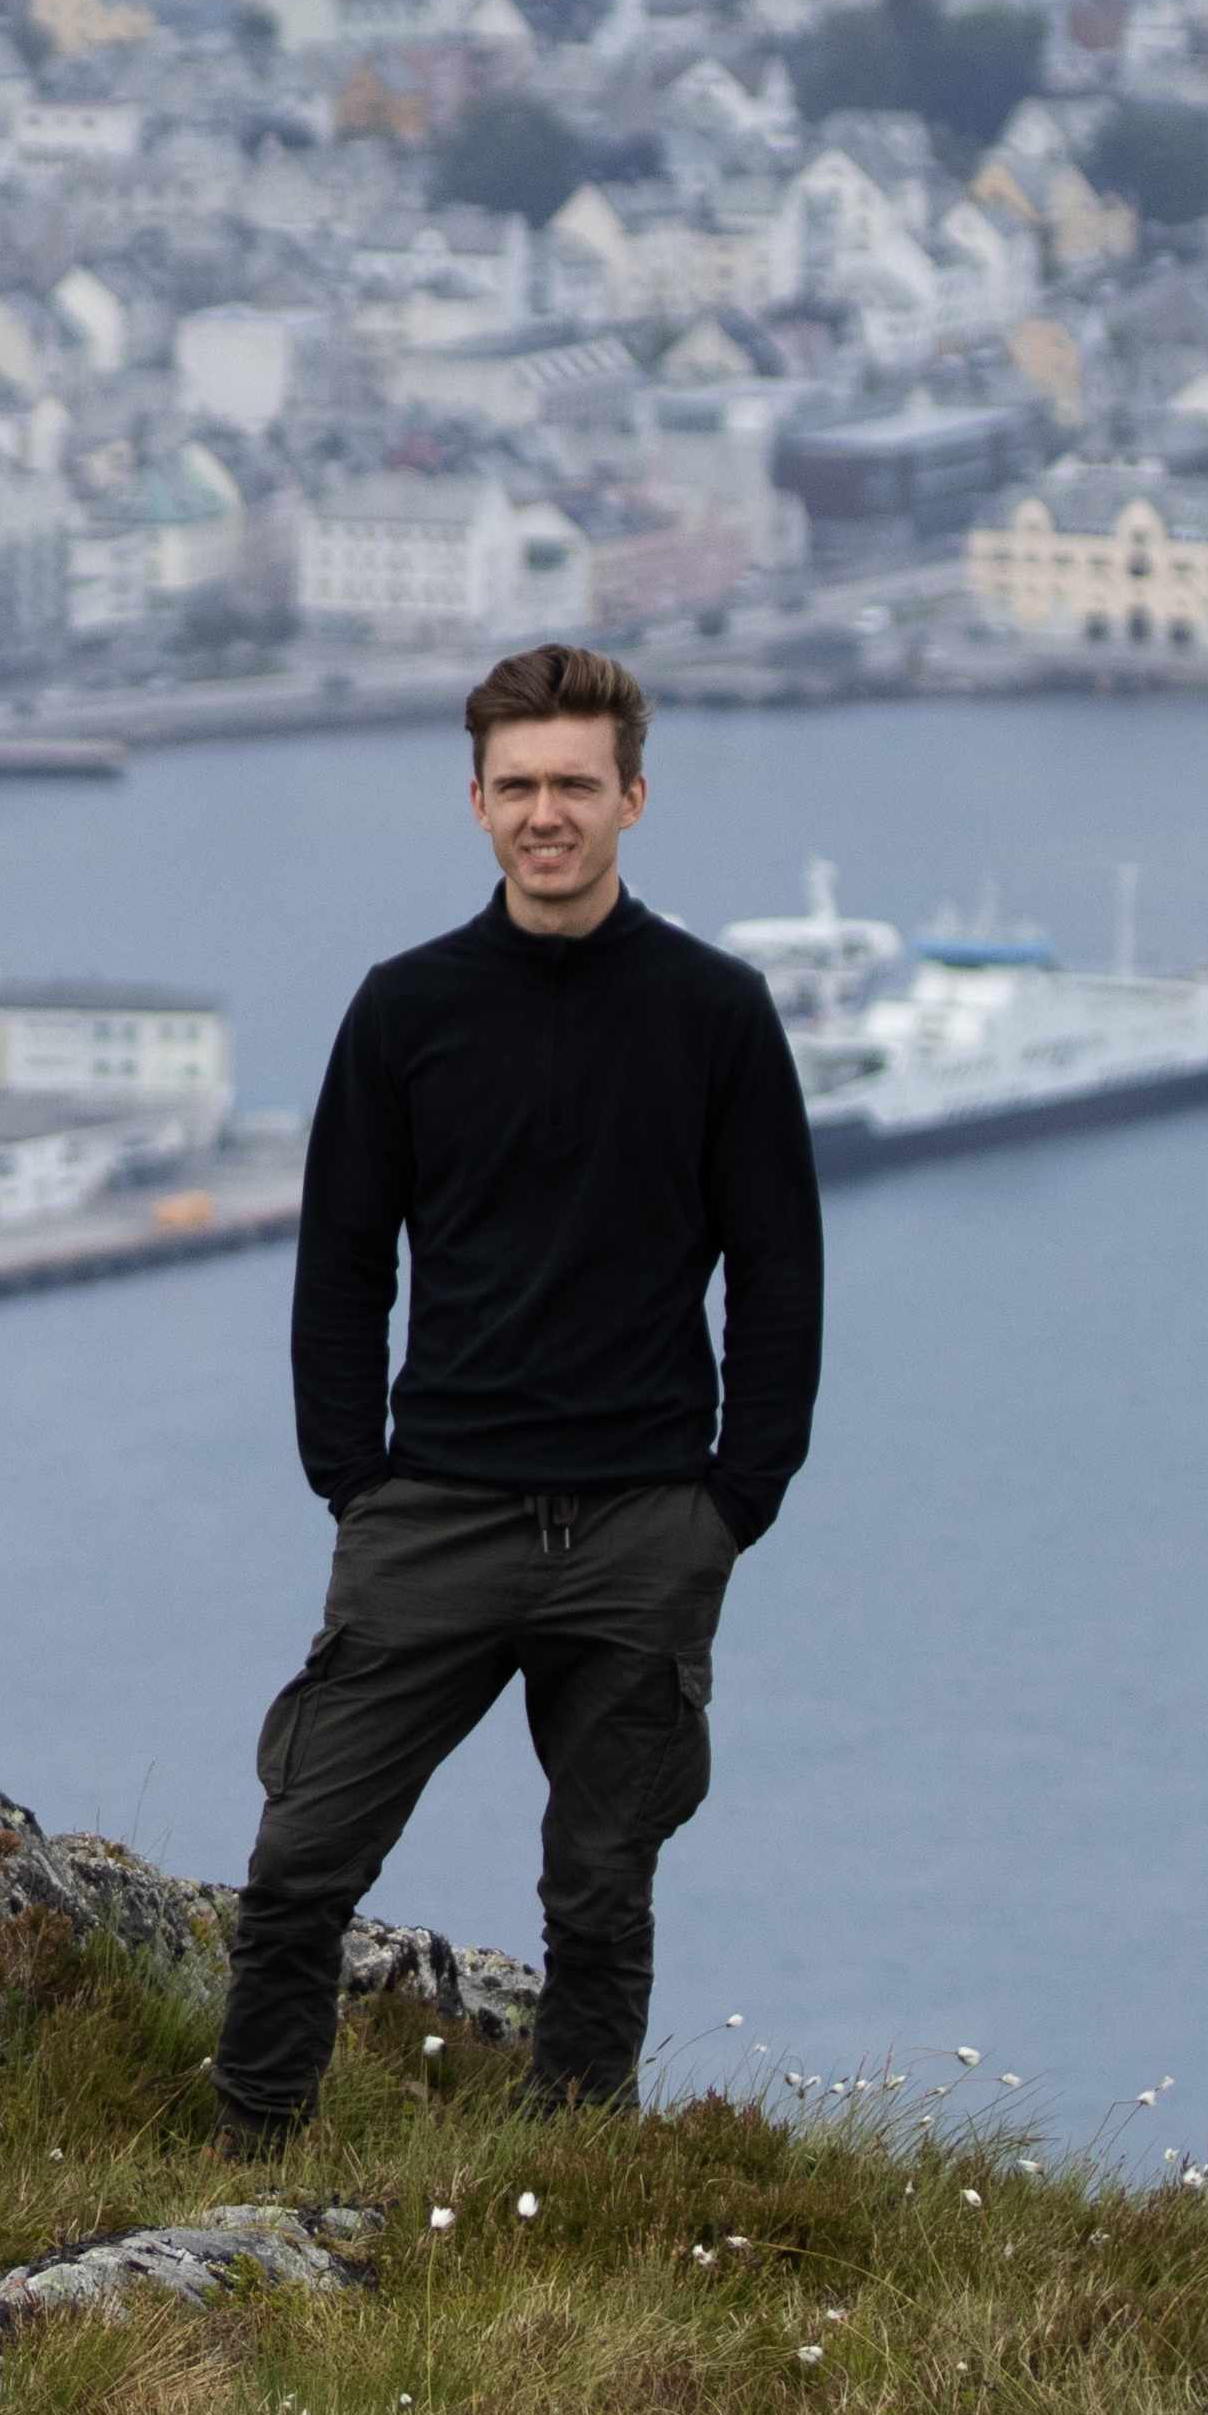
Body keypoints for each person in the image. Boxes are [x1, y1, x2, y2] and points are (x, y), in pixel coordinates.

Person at [219, 645, 823, 2150]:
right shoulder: (405, 1009)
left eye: (574, 784)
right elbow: (343, 1265)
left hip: (643, 1524)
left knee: (602, 1893)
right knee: (300, 1864)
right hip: (432, 1513)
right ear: (475, 802)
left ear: (632, 796)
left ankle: (575, 2184)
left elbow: (781, 1272)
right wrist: (349, 1478)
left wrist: (732, 1503)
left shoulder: (718, 1012)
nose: (546, 813)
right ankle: (246, 2163)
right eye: (518, 787)